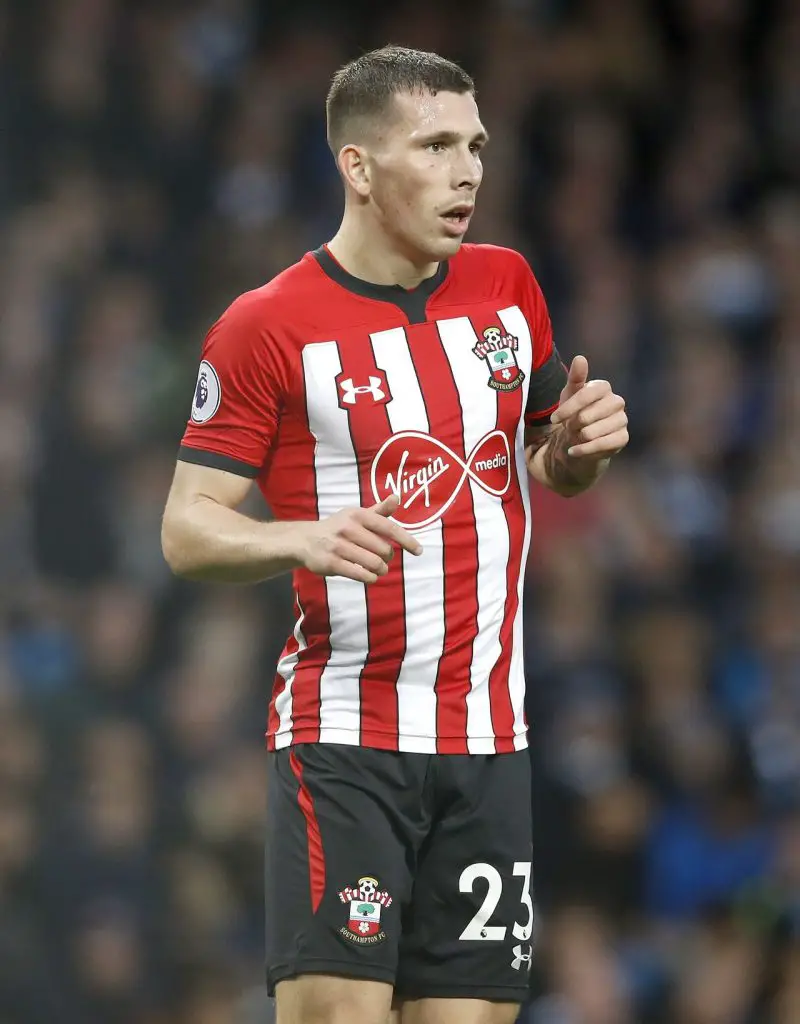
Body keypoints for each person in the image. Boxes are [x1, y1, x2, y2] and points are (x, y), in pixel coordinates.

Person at [161, 45, 629, 1024]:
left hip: (490, 741)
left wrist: (578, 450)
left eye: (476, 146)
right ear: (359, 167)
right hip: (347, 740)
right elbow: (186, 529)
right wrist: (299, 538)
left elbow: (535, 459)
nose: (468, 173)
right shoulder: (267, 325)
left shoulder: (506, 286)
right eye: (436, 146)